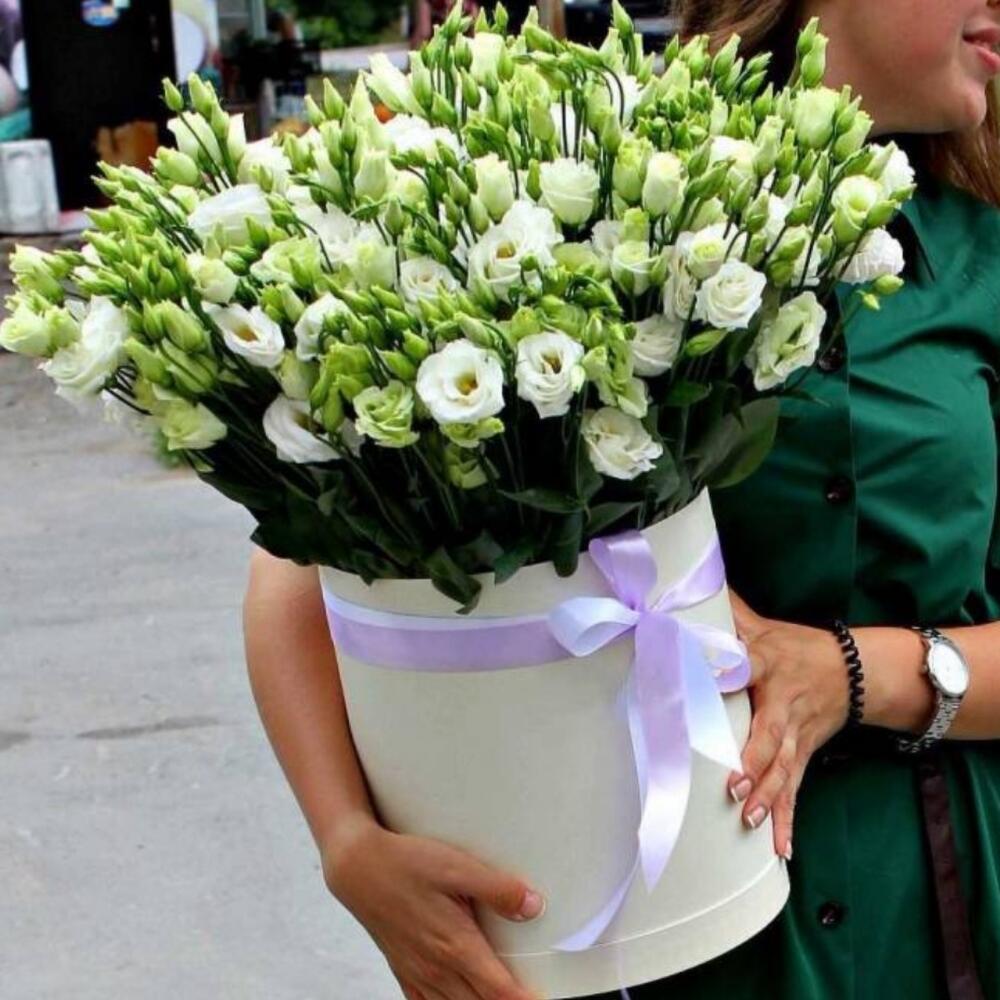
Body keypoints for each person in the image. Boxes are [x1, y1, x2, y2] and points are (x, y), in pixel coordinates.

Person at [242, 1, 1000, 997]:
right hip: (639, 913)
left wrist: (848, 674)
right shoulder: (603, 206)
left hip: (936, 910)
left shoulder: (984, 262)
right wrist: (348, 842)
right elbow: (310, 553)